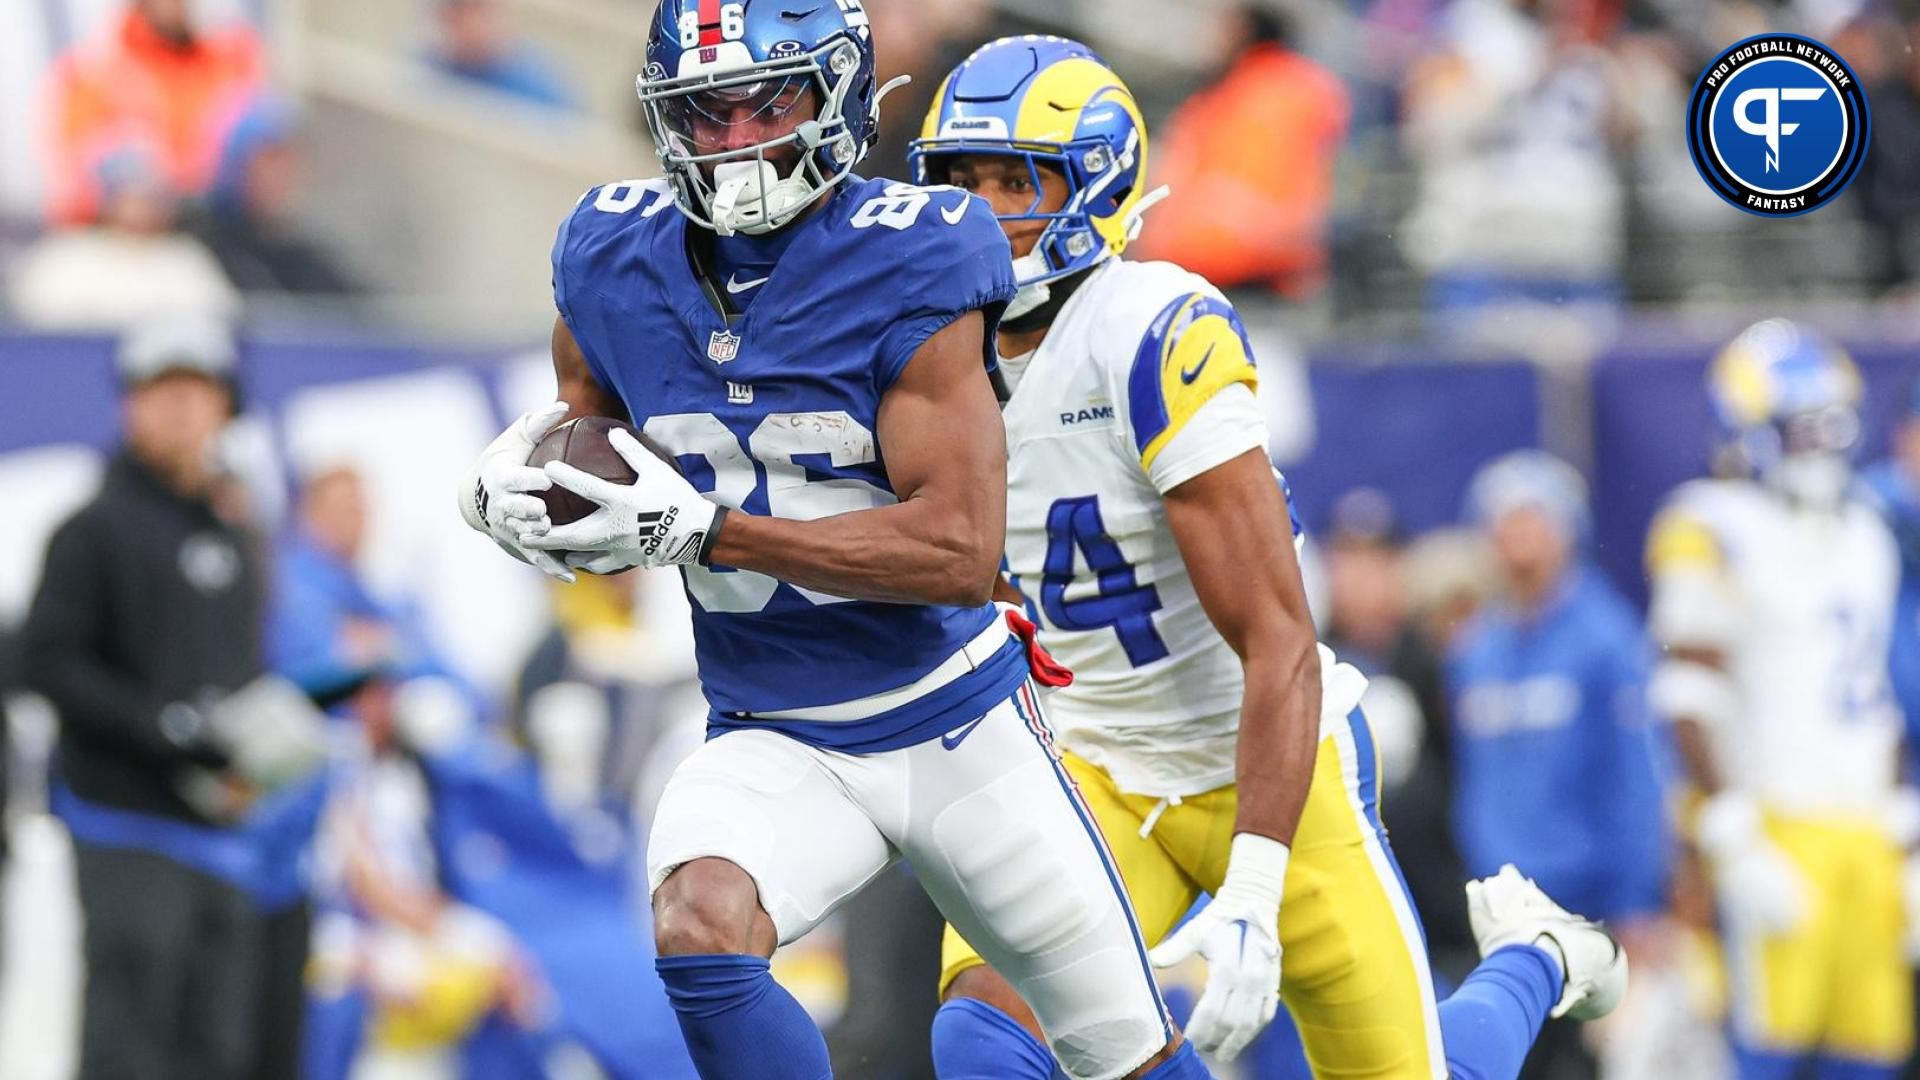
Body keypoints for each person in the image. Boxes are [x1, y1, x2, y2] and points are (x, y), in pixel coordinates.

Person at [456, 6, 1208, 1079]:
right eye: (706, 113)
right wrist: (530, 472)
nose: (739, 140)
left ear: (843, 92)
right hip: (775, 726)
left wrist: (715, 531)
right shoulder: (610, 248)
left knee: (1122, 1052)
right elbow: (592, 425)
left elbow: (955, 548)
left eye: (772, 102)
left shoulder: (917, 251)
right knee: (698, 921)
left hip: (955, 723)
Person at [908, 36, 1625, 1080]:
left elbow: (1280, 639)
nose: (984, 210)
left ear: (1093, 184)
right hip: (1097, 764)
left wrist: (1252, 885)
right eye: (961, 182)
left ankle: (1537, 958)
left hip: (1261, 768)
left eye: (1017, 179)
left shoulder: (1154, 331)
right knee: (982, 1037)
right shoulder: (926, 346)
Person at [19, 313, 327, 1080]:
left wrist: (267, 742)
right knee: (131, 1045)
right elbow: (47, 661)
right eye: (160, 390)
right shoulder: (90, 530)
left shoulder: (235, 539)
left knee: (215, 1053)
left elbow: (239, 675)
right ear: (130, 406)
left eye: (198, 389)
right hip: (124, 825)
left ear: (226, 409)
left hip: (223, 835)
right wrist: (163, 726)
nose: (180, 407)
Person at [1646, 319, 1916, 1080]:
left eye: (1832, 426)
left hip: (1863, 826)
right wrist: (1730, 830)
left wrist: (1905, 828)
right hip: (1774, 822)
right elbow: (1685, 694)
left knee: (1870, 1055)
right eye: (1802, 429)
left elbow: (1873, 692)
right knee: (1761, 1053)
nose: (1822, 446)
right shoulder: (1711, 524)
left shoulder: (1867, 530)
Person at [1449, 451, 1671, 1079]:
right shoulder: (1476, 648)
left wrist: (1637, 900)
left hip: (1586, 906)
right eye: (1505, 521)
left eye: (1532, 519)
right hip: (1497, 906)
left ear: (1566, 529)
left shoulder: (1605, 638)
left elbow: (1635, 778)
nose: (1517, 538)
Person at [1127, 6, 1348, 298]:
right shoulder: (1223, 94)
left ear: (1246, 29)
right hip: (1205, 264)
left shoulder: (1278, 91)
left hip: (1249, 270)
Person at [44, 0, 265, 225]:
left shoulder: (230, 60)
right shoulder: (97, 70)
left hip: (217, 221)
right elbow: (76, 171)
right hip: (123, 229)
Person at [426, 0, 575, 109]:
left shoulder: (539, 88)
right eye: (457, 13)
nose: (468, 23)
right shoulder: (429, 68)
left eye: (476, 10)